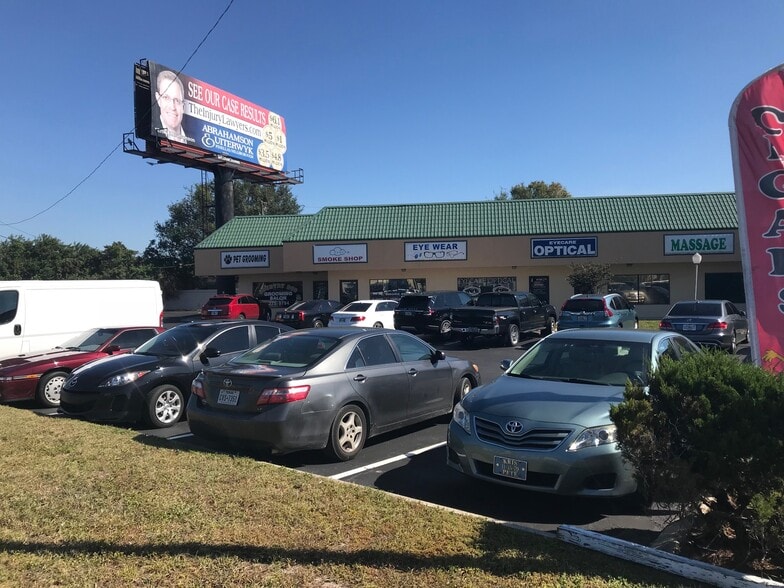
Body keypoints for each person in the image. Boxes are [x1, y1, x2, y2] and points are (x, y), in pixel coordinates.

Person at [154, 70, 193, 144]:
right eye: (166, 98)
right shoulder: (153, 131)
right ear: (158, 99)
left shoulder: (195, 145)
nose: (172, 107)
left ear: (183, 107)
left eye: (177, 100)